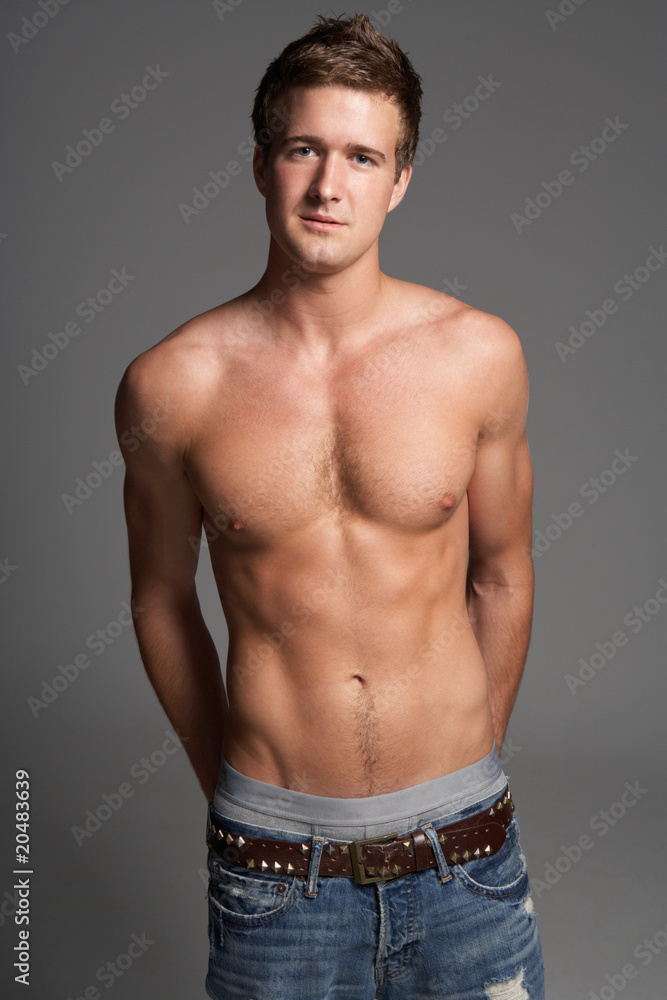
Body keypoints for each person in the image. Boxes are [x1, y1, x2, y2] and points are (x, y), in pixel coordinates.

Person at [114, 13, 545, 999]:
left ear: (400, 180)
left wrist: (471, 763)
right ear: (261, 164)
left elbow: (502, 574)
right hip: (273, 869)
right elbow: (159, 600)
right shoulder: (171, 385)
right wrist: (232, 788)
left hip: (464, 855)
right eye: (303, 149)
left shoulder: (478, 355)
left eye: (362, 156)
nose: (328, 186)